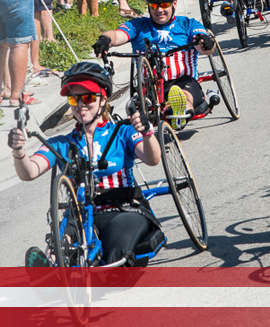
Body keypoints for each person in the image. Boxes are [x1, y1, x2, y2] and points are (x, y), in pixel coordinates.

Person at [10, 62, 166, 267]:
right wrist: (18, 150)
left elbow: (152, 159)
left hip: (122, 209)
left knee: (115, 259)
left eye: (88, 97)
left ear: (103, 101)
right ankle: (48, 271)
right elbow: (29, 172)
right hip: (81, 216)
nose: (80, 104)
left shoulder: (122, 132)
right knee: (60, 246)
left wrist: (146, 133)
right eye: (74, 98)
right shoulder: (62, 142)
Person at [93, 0, 224, 129]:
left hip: (183, 80)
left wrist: (206, 42)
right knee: (135, 110)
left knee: (185, 97)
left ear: (174, 3)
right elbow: (117, 35)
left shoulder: (188, 24)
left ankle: (179, 112)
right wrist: (105, 39)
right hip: (150, 86)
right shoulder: (138, 25)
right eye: (154, 5)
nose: (159, 10)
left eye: (164, 5)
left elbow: (204, 46)